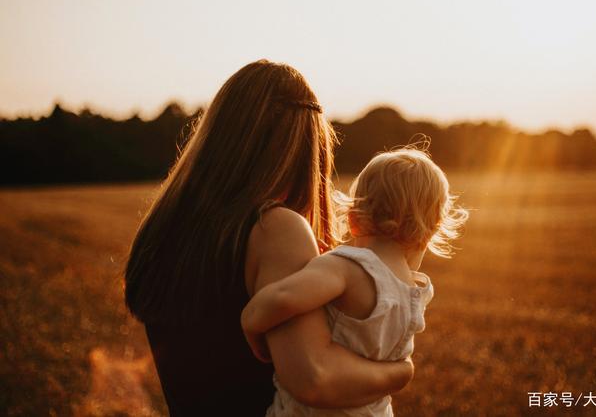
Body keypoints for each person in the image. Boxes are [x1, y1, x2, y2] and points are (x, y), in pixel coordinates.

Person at [123, 60, 414, 416]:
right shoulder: (275, 229)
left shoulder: (164, 230)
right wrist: (399, 371)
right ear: (308, 149)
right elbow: (314, 379)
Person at [241, 148, 469, 416]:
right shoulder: (415, 293)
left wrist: (251, 322)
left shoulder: (348, 267)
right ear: (430, 232)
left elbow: (283, 298)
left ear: (353, 218)